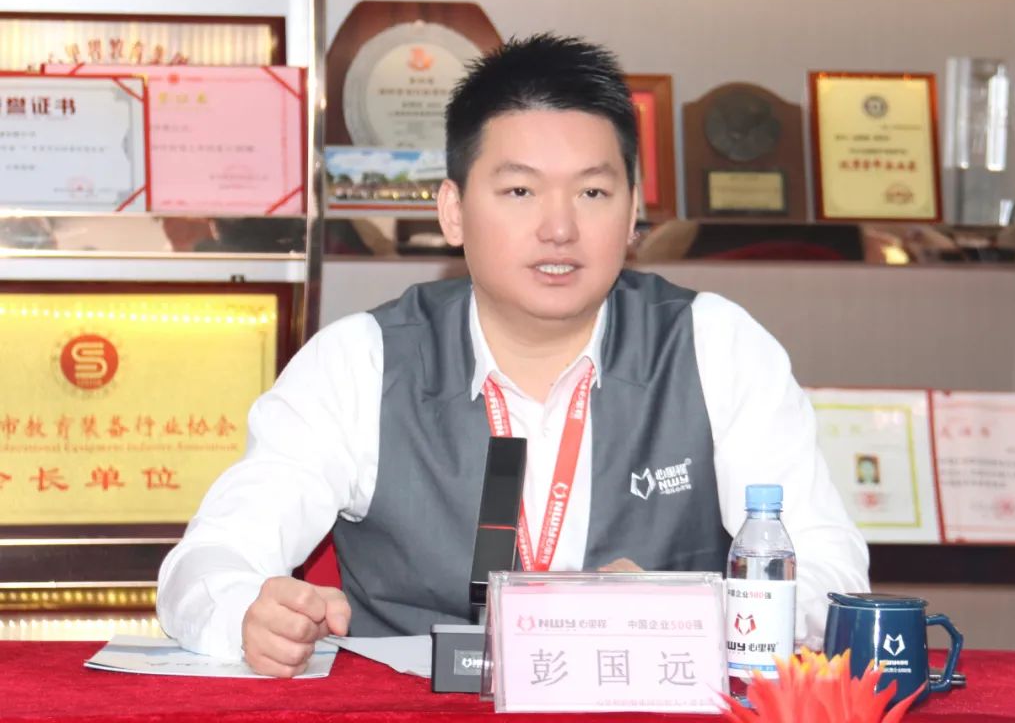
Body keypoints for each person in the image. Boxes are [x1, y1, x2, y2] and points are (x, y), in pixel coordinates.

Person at [157, 34, 869, 677]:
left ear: (632, 214)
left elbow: (830, 578)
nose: (559, 227)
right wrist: (247, 614)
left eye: (593, 191)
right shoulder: (361, 361)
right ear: (453, 211)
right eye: (520, 190)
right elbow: (206, 563)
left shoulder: (716, 345)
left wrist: (683, 610)